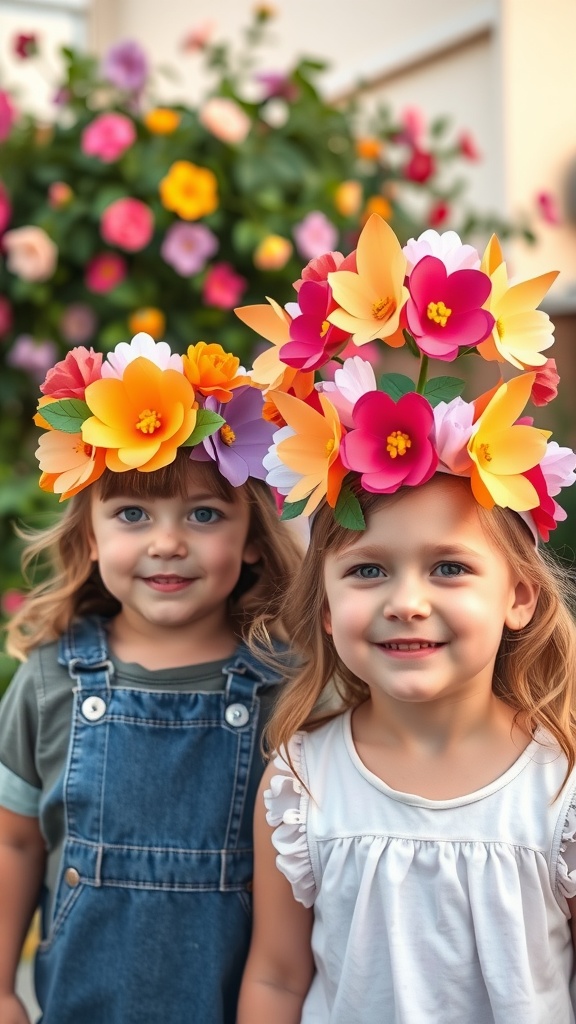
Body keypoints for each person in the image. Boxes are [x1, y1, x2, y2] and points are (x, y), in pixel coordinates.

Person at [235, 215, 576, 1022]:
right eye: (368, 571)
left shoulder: (559, 789)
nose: (406, 600)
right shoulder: (301, 783)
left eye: (450, 567)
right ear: (324, 606)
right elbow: (278, 977)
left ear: (519, 595)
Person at [0, 334, 302, 1024]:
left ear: (252, 535)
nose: (168, 542)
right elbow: (14, 839)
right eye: (132, 514)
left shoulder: (289, 691)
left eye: (204, 514)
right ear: (90, 538)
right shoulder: (51, 681)